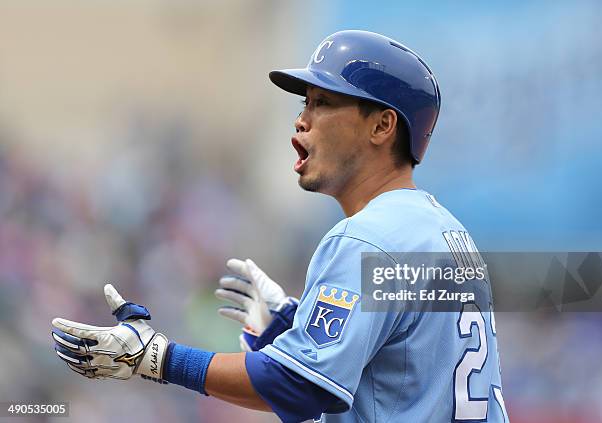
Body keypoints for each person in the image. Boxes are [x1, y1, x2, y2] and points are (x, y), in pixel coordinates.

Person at [51, 30, 508, 422]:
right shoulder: (445, 233)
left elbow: (299, 387)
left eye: (324, 102)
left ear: (383, 125)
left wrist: (158, 358)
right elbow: (400, 371)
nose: (301, 120)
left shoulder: (366, 238)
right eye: (305, 102)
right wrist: (292, 325)